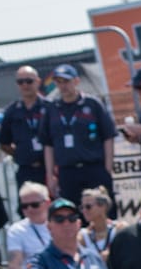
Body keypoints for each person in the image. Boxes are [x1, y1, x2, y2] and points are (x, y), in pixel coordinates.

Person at [42, 65, 115, 204]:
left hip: (93, 167)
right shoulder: (52, 109)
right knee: (72, 213)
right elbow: (48, 144)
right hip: (67, 171)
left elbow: (108, 137)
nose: (63, 86)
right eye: (59, 82)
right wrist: (51, 175)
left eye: (66, 81)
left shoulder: (92, 104)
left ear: (76, 81)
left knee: (102, 211)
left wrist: (107, 169)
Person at [0, 67, 49, 188]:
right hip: (26, 170)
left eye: (29, 81)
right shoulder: (12, 110)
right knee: (28, 205)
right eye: (20, 82)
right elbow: (3, 142)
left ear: (38, 81)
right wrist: (20, 154)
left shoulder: (50, 106)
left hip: (50, 169)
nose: (25, 85)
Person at [80, 187, 118, 262]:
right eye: (82, 207)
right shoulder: (83, 236)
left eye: (88, 207)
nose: (84, 211)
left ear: (103, 206)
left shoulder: (118, 229)